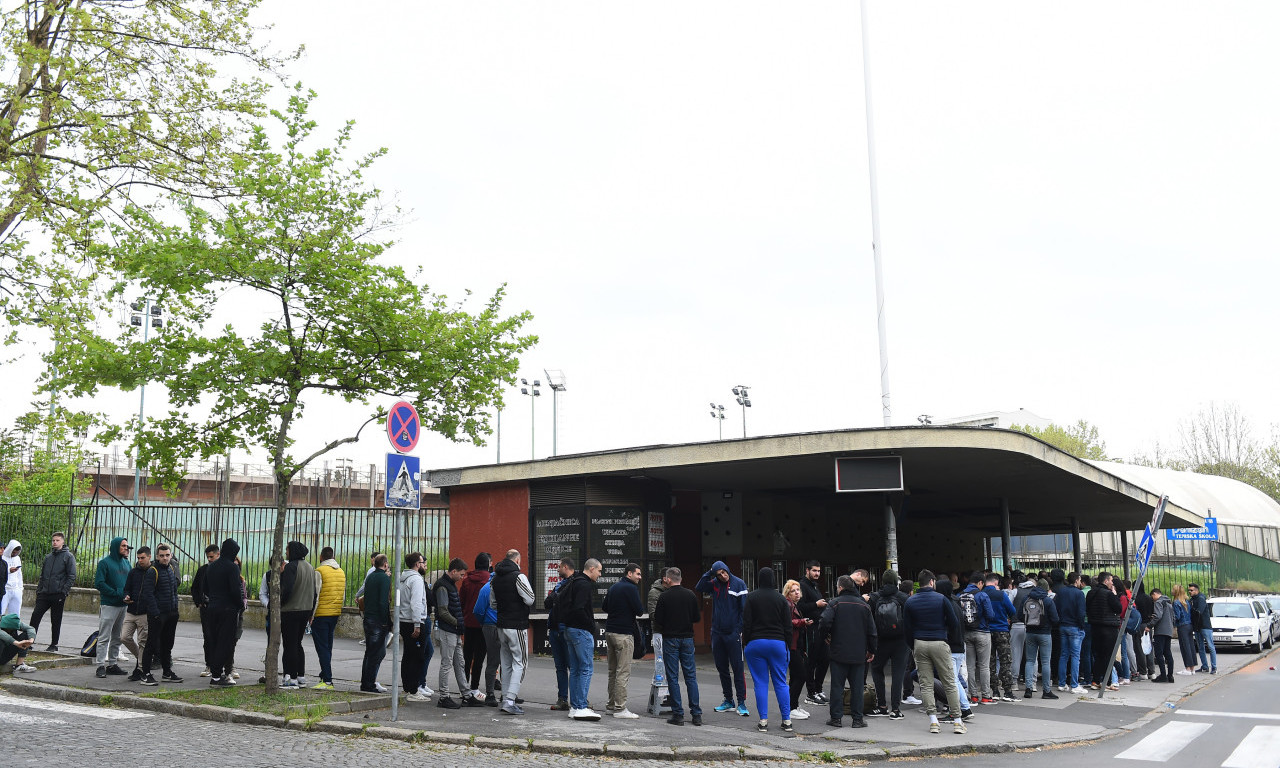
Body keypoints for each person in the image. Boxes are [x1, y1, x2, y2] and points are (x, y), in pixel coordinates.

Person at [904, 569, 965, 735]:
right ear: (932, 582)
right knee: (949, 681)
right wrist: (945, 636)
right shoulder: (942, 599)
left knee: (926, 684)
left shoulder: (910, 601)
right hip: (939, 641)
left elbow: (907, 628)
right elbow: (954, 623)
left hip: (920, 643)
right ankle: (958, 721)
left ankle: (933, 721)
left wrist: (914, 644)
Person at [820, 574, 877, 729]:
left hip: (838, 652)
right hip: (859, 654)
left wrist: (826, 636)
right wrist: (871, 650)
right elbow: (872, 631)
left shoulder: (835, 604)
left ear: (840, 587)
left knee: (837, 686)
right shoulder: (864, 606)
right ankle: (857, 719)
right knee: (857, 687)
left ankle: (836, 718)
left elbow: (824, 621)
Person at [695, 560, 749, 716]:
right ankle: (728, 700)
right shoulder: (714, 583)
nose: (723, 576)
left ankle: (742, 703)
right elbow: (699, 587)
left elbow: (744, 610)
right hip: (717, 633)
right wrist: (710, 573)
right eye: (719, 574)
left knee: (737, 668)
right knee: (722, 668)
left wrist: (739, 630)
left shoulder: (739, 584)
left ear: (728, 570)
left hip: (733, 634)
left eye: (724, 572)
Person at [743, 566, 793, 733]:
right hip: (778, 643)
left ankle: (763, 721)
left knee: (760, 683)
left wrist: (747, 643)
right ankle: (786, 720)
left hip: (756, 643)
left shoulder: (751, 597)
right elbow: (788, 626)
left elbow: (746, 623)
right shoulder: (781, 599)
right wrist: (787, 645)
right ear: (773, 580)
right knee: (781, 682)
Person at [654, 567, 702, 726]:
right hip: (687, 638)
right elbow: (696, 617)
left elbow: (658, 620)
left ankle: (678, 714)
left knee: (673, 677)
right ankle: (696, 714)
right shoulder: (690, 595)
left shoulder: (664, 597)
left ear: (668, 579)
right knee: (691, 676)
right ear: (680, 578)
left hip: (670, 639)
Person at [492, 549, 535, 715]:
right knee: (520, 662)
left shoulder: (495, 578)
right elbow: (530, 599)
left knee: (506, 663)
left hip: (501, 625)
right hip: (517, 625)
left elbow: (493, 603)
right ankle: (510, 700)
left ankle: (504, 698)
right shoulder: (519, 576)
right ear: (517, 560)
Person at [433, 557, 479, 708]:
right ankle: (444, 697)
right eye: (461, 574)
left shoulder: (449, 585)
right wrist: (458, 623)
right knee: (447, 664)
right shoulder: (442, 586)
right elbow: (443, 611)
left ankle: (466, 694)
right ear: (453, 571)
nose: (462, 577)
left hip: (454, 630)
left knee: (460, 663)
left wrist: (458, 625)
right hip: (448, 630)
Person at [561, 557, 601, 721]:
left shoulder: (574, 581)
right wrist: (590, 626)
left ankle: (575, 707)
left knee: (576, 669)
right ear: (591, 569)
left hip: (569, 629)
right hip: (581, 631)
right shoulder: (584, 584)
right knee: (586, 668)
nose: (599, 574)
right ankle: (581, 706)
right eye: (599, 570)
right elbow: (579, 608)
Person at [602, 562, 644, 718]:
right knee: (623, 672)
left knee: (612, 671)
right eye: (638, 574)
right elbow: (639, 611)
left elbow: (605, 607)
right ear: (629, 574)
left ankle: (611, 705)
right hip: (624, 634)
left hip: (610, 632)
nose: (640, 577)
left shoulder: (614, 587)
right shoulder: (631, 589)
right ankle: (620, 709)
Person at [867, 568, 909, 719]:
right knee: (898, 674)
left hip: (881, 640)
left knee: (877, 670)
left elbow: (869, 619)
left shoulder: (875, 597)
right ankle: (896, 710)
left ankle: (882, 706)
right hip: (901, 641)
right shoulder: (903, 597)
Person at [138, 544, 182, 685]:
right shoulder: (153, 571)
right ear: (157, 556)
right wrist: (156, 613)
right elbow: (147, 594)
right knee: (151, 644)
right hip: (158, 615)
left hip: (171, 614)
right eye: (162, 555)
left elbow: (174, 591)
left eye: (167, 555)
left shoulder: (170, 569)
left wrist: (175, 611)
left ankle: (167, 673)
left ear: (170, 556)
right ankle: (145, 674)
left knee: (167, 644)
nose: (164, 558)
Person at [935, 579, 975, 722]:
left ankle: (955, 711)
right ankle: (965, 708)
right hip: (959, 645)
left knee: (951, 681)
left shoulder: (945, 605)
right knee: (955, 679)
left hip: (950, 646)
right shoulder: (957, 603)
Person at [280, 540, 318, 688]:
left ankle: (292, 678)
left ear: (293, 551)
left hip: (291, 610)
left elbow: (287, 589)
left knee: (289, 645)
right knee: (298, 644)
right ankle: (301, 676)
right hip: (305, 610)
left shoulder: (291, 567)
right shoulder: (310, 567)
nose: (285, 553)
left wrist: (280, 603)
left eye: (287, 550)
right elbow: (314, 593)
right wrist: (311, 611)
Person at [204, 538, 242, 686]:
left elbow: (205, 588)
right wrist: (239, 605)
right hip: (228, 609)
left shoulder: (211, 567)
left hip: (212, 607)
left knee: (214, 640)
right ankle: (216, 676)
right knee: (225, 642)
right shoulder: (232, 568)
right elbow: (235, 590)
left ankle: (215, 672)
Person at [30, 532, 75, 651]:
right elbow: (42, 575)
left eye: (57, 540)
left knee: (55, 619)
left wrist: (63, 592)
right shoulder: (48, 557)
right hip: (44, 593)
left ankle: (54, 644)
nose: (55, 542)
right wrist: (39, 590)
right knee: (35, 616)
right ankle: (29, 641)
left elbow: (71, 576)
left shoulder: (68, 557)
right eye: (53, 540)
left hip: (58, 594)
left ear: (62, 542)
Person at [93, 536, 131, 678]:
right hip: (109, 604)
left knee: (117, 636)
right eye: (123, 546)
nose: (126, 548)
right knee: (104, 636)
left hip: (123, 604)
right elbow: (99, 583)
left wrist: (128, 594)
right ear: (116, 547)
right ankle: (100, 665)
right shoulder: (104, 563)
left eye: (126, 546)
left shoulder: (127, 564)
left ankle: (113, 664)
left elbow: (130, 581)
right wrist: (116, 593)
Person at [1016, 577, 1059, 699]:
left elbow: (1019, 616)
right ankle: (1046, 691)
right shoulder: (1048, 600)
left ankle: (1028, 689)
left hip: (1030, 633)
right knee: (1045, 662)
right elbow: (1055, 619)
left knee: (1030, 661)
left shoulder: (1026, 598)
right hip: (1045, 634)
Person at [797, 560, 830, 708]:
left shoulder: (814, 586)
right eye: (814, 571)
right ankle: (811, 693)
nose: (817, 573)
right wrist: (816, 605)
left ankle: (818, 689)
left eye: (818, 571)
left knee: (825, 659)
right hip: (810, 629)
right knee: (811, 662)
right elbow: (800, 607)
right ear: (807, 571)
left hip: (820, 628)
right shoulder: (802, 586)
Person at [398, 552, 430, 701]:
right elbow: (416, 603)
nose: (424, 565)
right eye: (422, 562)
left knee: (408, 655)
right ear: (417, 564)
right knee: (417, 657)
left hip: (404, 620)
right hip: (413, 622)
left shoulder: (402, 578)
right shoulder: (416, 580)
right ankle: (413, 690)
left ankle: (407, 687)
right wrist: (417, 624)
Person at [311, 546, 345, 690]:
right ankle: (324, 674)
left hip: (321, 614)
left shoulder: (319, 571)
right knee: (328, 646)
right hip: (334, 613)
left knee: (322, 647)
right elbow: (342, 595)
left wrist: (310, 615)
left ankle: (328, 680)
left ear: (321, 557)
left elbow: (315, 595)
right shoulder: (341, 572)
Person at [544, 558, 575, 711]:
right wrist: (555, 597)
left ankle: (579, 699)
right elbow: (547, 602)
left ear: (565, 567)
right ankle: (562, 699)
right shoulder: (560, 584)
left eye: (559, 567)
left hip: (566, 630)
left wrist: (556, 598)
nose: (557, 570)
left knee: (573, 666)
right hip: (555, 630)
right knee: (560, 667)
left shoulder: (574, 583)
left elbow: (564, 603)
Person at [958, 571, 993, 704]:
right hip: (982, 632)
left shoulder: (960, 595)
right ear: (980, 583)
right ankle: (985, 696)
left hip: (966, 633)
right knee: (984, 666)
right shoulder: (982, 595)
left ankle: (973, 695)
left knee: (970, 666)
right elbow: (990, 615)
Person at [982, 572, 1018, 702]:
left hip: (986, 631)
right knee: (1005, 661)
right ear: (996, 582)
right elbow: (1012, 611)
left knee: (989, 662)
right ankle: (1008, 691)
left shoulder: (981, 594)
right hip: (1002, 630)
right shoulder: (1001, 594)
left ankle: (994, 690)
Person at [459, 552, 491, 696]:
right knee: (479, 658)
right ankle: (474, 687)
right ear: (488, 565)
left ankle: (464, 687)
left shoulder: (466, 580)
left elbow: (462, 602)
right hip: (483, 624)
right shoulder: (490, 580)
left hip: (468, 623)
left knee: (467, 656)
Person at [359, 554, 392, 693]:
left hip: (368, 617)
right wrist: (386, 621)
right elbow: (383, 601)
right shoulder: (384, 578)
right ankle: (369, 684)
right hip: (378, 620)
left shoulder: (371, 576)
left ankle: (365, 682)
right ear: (385, 564)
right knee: (376, 654)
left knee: (369, 652)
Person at [1085, 571, 1122, 691]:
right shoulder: (1109, 594)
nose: (1112, 583)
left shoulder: (1091, 593)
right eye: (1111, 580)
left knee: (1099, 655)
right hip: (1109, 627)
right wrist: (1115, 595)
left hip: (1095, 627)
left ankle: (1096, 680)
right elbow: (1118, 608)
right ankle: (1108, 681)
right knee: (1109, 656)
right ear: (1105, 581)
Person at [120, 546, 152, 681]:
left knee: (142, 641)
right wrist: (126, 596)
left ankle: (140, 668)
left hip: (145, 612)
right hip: (132, 610)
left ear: (149, 557)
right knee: (124, 637)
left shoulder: (153, 571)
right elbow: (127, 588)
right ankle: (143, 661)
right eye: (138, 558)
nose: (140, 560)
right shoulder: (133, 572)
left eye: (142, 558)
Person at [471, 570, 501, 704]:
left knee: (493, 661)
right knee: (502, 661)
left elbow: (478, 611)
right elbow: (477, 610)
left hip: (490, 625)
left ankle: (490, 694)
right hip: (498, 626)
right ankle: (504, 694)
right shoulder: (490, 588)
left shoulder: (486, 588)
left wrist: (485, 622)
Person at [782, 580, 811, 720]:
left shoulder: (794, 605)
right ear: (788, 593)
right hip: (791, 646)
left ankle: (793, 705)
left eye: (798, 590)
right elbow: (786, 622)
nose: (797, 593)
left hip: (796, 646)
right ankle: (791, 708)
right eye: (793, 591)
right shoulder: (787, 605)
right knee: (801, 675)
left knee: (795, 677)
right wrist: (802, 622)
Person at [1054, 570, 1087, 694]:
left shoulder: (1061, 592)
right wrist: (1081, 626)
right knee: (1075, 656)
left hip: (1062, 625)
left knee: (1063, 655)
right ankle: (1074, 684)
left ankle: (1062, 683)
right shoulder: (1079, 594)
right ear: (1077, 580)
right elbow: (1081, 612)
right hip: (1074, 627)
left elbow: (1055, 608)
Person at [191, 543, 220, 676]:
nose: (209, 559)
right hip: (206, 608)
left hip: (220, 609)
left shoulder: (224, 569)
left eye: (212, 557)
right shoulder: (203, 570)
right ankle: (209, 665)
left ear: (218, 555)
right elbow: (194, 587)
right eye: (208, 557)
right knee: (208, 637)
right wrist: (198, 602)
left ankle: (224, 665)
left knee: (222, 637)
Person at [647, 568, 672, 688]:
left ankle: (667, 687)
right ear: (665, 579)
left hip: (672, 632)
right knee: (660, 659)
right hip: (659, 631)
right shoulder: (654, 592)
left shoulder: (673, 590)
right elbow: (653, 615)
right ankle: (660, 686)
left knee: (669, 661)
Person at [1148, 588, 1175, 682]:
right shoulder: (1168, 602)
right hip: (1168, 630)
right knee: (1168, 653)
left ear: (1155, 594)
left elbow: (1158, 616)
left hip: (1160, 631)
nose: (1153, 599)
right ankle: (1170, 675)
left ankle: (1163, 675)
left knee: (1159, 653)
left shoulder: (1159, 602)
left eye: (1152, 597)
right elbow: (1173, 617)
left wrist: (1150, 625)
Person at [1188, 583, 1216, 674]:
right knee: (1200, 647)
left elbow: (1199, 612)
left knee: (1210, 647)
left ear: (1196, 590)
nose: (1189, 592)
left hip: (1205, 626)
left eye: (1191, 590)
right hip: (1197, 627)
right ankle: (1204, 666)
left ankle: (1214, 667)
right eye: (1189, 590)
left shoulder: (1201, 599)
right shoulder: (1192, 600)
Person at [1170, 584, 1196, 675]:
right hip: (1189, 625)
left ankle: (1187, 668)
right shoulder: (1186, 601)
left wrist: (1172, 622)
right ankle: (1192, 668)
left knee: (1184, 647)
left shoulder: (1176, 602)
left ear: (1176, 592)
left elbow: (1177, 616)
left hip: (1182, 626)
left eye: (1173, 589)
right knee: (1190, 646)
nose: (1171, 591)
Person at [2, 539, 23, 616]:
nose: (14, 554)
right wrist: (9, 570)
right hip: (5, 589)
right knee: (1, 611)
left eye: (17, 553)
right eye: (13, 552)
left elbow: (19, 574)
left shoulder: (17, 558)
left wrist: (20, 588)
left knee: (15, 614)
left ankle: (13, 627)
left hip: (16, 589)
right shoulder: (2, 557)